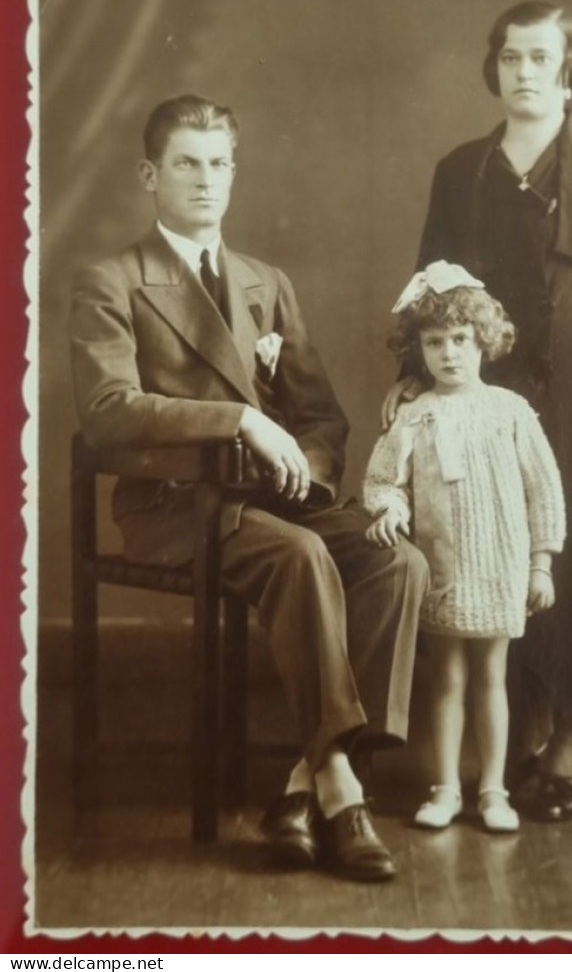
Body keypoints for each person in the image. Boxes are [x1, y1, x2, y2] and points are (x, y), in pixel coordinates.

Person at [69, 93, 429, 881]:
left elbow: (323, 418)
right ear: (149, 174)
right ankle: (342, 787)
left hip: (269, 504)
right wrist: (238, 418)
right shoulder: (113, 280)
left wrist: (303, 468)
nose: (206, 180)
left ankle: (305, 783)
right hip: (174, 506)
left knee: (396, 562)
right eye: (187, 164)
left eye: (220, 164)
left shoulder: (266, 281)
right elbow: (105, 412)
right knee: (300, 558)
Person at [384, 1, 572, 822]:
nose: (524, 71)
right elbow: (430, 287)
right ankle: (518, 736)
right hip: (486, 391)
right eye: (511, 57)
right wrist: (417, 381)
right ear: (496, 67)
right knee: (491, 551)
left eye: (540, 57)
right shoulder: (462, 170)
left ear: (567, 69)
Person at [364, 262, 566, 832]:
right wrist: (391, 510)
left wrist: (541, 563)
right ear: (418, 349)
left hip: (498, 569)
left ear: (484, 341)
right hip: (444, 569)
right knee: (447, 680)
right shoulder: (414, 415)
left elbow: (544, 489)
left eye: (461, 340)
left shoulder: (510, 413)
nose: (449, 354)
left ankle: (494, 791)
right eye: (434, 343)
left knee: (491, 679)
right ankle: (447, 787)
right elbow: (384, 479)